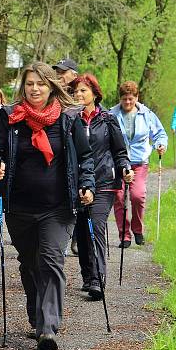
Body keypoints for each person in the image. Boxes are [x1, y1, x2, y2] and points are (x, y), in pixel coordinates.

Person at [0, 62, 95, 350]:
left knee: (50, 260)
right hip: (19, 206)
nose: (35, 89)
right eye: (30, 84)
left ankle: (48, 327)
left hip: (58, 207)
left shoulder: (69, 119)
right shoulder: (10, 118)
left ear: (52, 87)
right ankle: (36, 315)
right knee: (30, 263)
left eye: (41, 84)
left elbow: (85, 159)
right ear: (24, 86)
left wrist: (87, 186)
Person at [70, 74, 132, 301]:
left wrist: (125, 167)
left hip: (104, 181)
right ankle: (88, 274)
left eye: (83, 91)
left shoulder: (107, 119)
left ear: (95, 94)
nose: (78, 95)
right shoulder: (69, 119)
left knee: (95, 226)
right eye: (75, 92)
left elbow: (119, 151)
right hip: (76, 183)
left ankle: (97, 279)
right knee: (81, 231)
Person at [109, 81, 168, 248]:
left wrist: (160, 145)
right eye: (124, 99)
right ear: (119, 99)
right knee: (119, 197)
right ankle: (124, 235)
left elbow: (160, 134)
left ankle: (137, 229)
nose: (127, 102)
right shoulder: (111, 114)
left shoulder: (146, 114)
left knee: (137, 196)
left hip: (139, 161)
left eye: (131, 99)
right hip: (118, 162)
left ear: (137, 97)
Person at [51, 58, 79, 255]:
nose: (59, 75)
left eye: (63, 71)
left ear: (74, 75)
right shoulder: (51, 94)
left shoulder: (80, 94)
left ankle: (76, 236)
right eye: (57, 71)